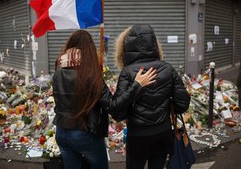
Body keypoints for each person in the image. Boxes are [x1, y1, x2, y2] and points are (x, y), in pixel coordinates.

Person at [52, 29, 157, 169]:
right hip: (84, 134)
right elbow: (113, 106)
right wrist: (137, 85)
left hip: (61, 132)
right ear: (89, 50)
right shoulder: (90, 75)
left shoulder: (58, 71)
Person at [114, 25, 190, 169]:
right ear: (154, 44)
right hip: (163, 132)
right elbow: (183, 104)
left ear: (126, 47)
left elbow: (118, 112)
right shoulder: (168, 68)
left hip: (138, 136)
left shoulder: (127, 72)